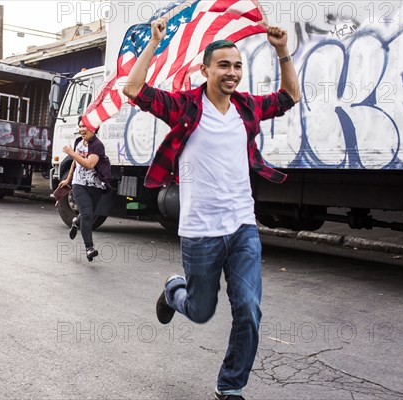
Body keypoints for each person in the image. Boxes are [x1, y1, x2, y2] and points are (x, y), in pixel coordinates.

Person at [122, 18, 301, 400]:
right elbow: (134, 89)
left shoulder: (247, 108)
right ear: (205, 71)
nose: (232, 72)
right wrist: (154, 43)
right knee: (201, 311)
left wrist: (282, 51)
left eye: (237, 66)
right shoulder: (184, 105)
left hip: (241, 227)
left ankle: (230, 385)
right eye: (223, 65)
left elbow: (289, 97)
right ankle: (173, 291)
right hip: (200, 231)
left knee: (249, 309)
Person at [57, 118, 111, 261]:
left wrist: (72, 153)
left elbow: (90, 164)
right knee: (87, 214)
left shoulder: (98, 146)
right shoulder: (78, 143)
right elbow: (75, 163)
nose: (81, 129)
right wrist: (68, 179)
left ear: (93, 128)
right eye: (80, 126)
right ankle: (89, 248)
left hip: (95, 185)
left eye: (85, 126)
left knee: (89, 214)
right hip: (79, 184)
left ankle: (76, 222)